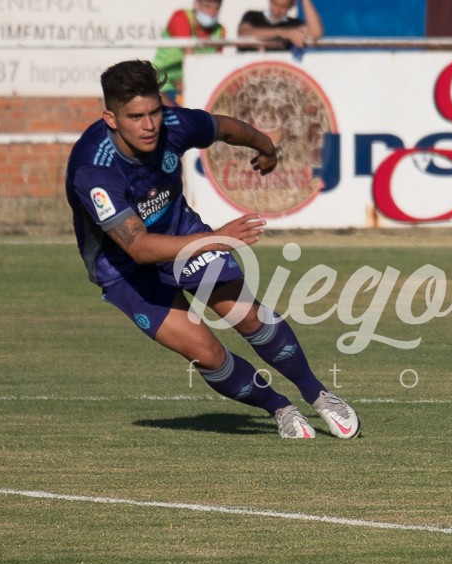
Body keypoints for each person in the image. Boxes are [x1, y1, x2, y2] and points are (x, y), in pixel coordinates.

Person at [65, 60, 360, 440]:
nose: (150, 125)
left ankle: (318, 394)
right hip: (125, 270)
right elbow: (138, 247)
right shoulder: (94, 170)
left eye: (154, 111)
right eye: (136, 116)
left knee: (247, 315)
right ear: (111, 118)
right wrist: (217, 239)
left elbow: (222, 127)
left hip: (181, 233)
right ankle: (279, 407)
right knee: (206, 353)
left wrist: (265, 146)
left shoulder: (174, 125)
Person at [154, 0, 226, 104]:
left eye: (216, 8)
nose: (211, 13)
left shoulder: (220, 31)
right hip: (163, 83)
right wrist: (190, 83)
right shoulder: (181, 17)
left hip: (195, 85)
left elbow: (215, 64)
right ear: (196, 4)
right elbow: (189, 53)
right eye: (207, 7)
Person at [237, 0, 325, 52]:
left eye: (283, 7)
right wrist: (282, 33)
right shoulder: (252, 16)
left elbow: (315, 33)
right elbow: (244, 33)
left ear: (292, 6)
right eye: (274, 4)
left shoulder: (294, 24)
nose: (277, 11)